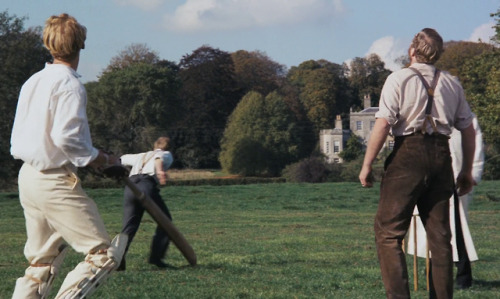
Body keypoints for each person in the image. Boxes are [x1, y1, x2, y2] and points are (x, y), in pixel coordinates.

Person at [10, 13, 123, 298]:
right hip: (53, 182)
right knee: (102, 255)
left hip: (28, 178)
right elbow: (66, 138)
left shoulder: (33, 81)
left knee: (41, 263)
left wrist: (95, 156)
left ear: (49, 44)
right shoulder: (70, 85)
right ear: (80, 45)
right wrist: (102, 160)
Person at [358, 28, 476, 299]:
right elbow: (468, 130)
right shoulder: (452, 83)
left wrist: (367, 165)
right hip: (441, 156)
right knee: (441, 239)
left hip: (407, 157)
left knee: (388, 234)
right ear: (438, 54)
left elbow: (383, 124)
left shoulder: (398, 79)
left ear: (412, 51)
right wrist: (467, 171)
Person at [407, 114, 484, 290]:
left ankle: (463, 275)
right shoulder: (426, 114)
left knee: (457, 227)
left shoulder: (465, 116)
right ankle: (434, 274)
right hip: (432, 176)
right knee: (433, 227)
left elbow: (475, 143)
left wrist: (472, 175)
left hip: (457, 177)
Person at [117, 137, 174, 270]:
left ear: (155, 145)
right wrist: (160, 172)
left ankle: (118, 260)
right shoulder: (166, 154)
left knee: (129, 226)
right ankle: (156, 257)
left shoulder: (141, 155)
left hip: (130, 186)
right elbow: (159, 158)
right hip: (147, 185)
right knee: (166, 221)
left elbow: (121, 159)